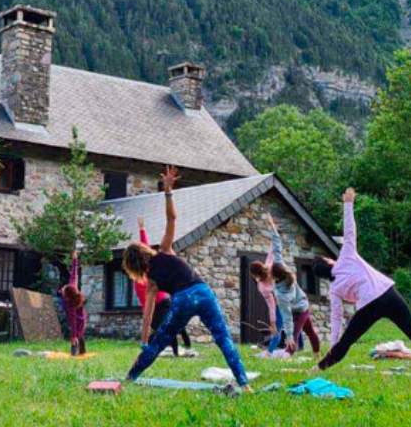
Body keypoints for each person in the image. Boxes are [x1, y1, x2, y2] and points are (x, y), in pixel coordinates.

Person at [122, 166, 250, 390]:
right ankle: (244, 383)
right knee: (222, 337)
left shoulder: (151, 282)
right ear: (145, 251)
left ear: (133, 267)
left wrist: (144, 342)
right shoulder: (165, 250)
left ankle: (131, 377)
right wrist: (168, 192)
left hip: (182, 300)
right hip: (202, 291)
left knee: (160, 340)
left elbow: (147, 315)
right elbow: (172, 218)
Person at [316, 189, 411, 372]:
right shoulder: (346, 256)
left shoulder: (334, 289)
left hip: (369, 306)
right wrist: (348, 204)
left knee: (346, 342)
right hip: (389, 294)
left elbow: (336, 317)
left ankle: (318, 368)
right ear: (329, 262)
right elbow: (350, 231)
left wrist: (333, 342)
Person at [263, 213, 320, 355]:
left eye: (270, 273)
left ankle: (287, 358)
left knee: (294, 335)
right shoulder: (280, 265)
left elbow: (287, 316)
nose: (268, 274)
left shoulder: (284, 294)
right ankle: (317, 355)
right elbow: (277, 247)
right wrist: (272, 228)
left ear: (275, 276)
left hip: (300, 309)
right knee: (310, 331)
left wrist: (288, 336)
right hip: (301, 304)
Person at [134, 217, 191, 354]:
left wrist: (142, 229)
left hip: (161, 301)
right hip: (153, 305)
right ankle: (181, 332)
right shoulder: (136, 274)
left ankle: (176, 351)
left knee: (164, 327)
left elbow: (145, 246)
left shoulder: (149, 268)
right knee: (158, 326)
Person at [246, 219, 284, 351]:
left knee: (277, 331)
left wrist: (272, 323)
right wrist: (273, 227)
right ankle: (295, 348)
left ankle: (269, 353)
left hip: (282, 304)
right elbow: (275, 246)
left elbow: (271, 305)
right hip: (292, 297)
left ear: (255, 275)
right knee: (297, 323)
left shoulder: (262, 286)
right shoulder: (270, 264)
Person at [59, 250, 88, 355]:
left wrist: (73, 336)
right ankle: (82, 351)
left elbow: (73, 322)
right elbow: (74, 273)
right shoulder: (73, 285)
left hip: (78, 321)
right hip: (82, 318)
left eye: (64, 289)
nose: (62, 288)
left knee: (77, 336)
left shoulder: (70, 305)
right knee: (80, 335)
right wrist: (75, 259)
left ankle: (74, 354)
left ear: (67, 296)